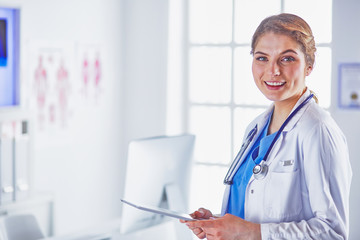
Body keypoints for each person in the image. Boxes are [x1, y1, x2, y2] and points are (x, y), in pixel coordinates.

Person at [182, 13, 352, 240]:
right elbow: (257, 210)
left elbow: (333, 232)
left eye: (287, 58)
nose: (273, 71)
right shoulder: (256, 128)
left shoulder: (317, 130)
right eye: (262, 58)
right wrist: (219, 222)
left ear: (309, 65)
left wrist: (249, 232)